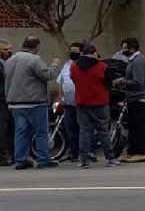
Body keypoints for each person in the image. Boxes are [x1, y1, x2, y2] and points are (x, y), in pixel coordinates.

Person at [3, 36, 61, 170]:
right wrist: (54, 65)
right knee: (41, 132)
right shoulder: (34, 59)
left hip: (15, 102)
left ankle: (20, 160)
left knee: (20, 132)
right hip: (34, 102)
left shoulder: (11, 60)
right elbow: (46, 75)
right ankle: (43, 159)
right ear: (36, 47)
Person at [72, 44, 120, 168]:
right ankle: (110, 158)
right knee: (103, 131)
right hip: (100, 103)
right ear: (94, 53)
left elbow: (74, 80)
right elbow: (109, 85)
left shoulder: (74, 66)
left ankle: (83, 159)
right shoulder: (102, 67)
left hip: (82, 103)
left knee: (84, 131)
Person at [113, 38, 145, 163]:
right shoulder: (133, 60)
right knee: (132, 127)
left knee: (138, 127)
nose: (123, 51)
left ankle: (140, 152)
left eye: (125, 48)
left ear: (132, 48)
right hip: (133, 98)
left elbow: (138, 82)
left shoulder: (138, 61)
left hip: (139, 98)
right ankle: (131, 152)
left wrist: (123, 81)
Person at [56, 42, 85, 162]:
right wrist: (60, 97)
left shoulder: (84, 65)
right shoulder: (66, 65)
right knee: (70, 129)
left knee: (83, 129)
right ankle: (73, 153)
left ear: (81, 53)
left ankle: (85, 153)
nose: (72, 54)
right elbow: (60, 81)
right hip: (68, 104)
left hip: (81, 103)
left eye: (75, 51)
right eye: (71, 51)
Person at [0, 38, 14, 166]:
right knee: (2, 129)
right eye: (5, 50)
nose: (8, 52)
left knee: (10, 128)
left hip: (9, 99)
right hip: (1, 100)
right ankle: (3, 156)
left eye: (9, 49)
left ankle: (11, 153)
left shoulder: (8, 63)